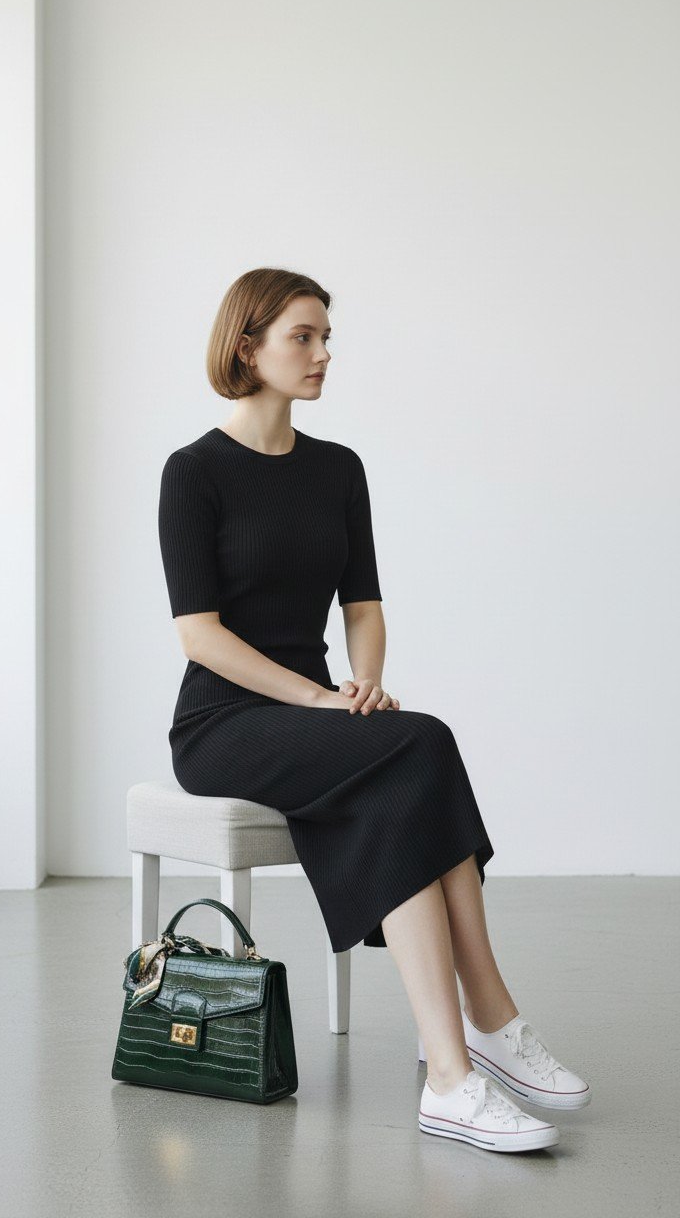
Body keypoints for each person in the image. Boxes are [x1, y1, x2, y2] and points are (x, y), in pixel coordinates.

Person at [157, 267, 591, 1152]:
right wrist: (323, 698)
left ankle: (452, 1075)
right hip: (221, 726)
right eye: (303, 337)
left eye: (326, 339)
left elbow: (364, 606)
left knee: (403, 769)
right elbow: (199, 636)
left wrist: (361, 682)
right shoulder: (193, 473)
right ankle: (489, 1023)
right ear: (249, 346)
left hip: (315, 717)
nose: (322, 355)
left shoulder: (338, 469)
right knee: (422, 743)